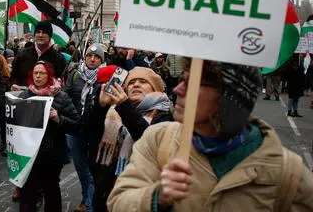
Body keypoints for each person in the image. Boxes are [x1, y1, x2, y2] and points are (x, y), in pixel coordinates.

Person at [108, 58, 313, 211]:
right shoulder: (158, 139)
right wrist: (156, 197)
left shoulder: (288, 174)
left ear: (229, 97)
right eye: (182, 79)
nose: (178, 89)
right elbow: (118, 202)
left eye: (194, 82)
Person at [85, 66, 170, 212]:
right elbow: (89, 135)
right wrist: (101, 107)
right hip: (108, 193)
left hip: (140, 197)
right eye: (131, 82)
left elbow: (147, 141)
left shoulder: (164, 115)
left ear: (155, 88)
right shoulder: (115, 111)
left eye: (143, 81)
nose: (136, 85)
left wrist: (125, 107)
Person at [15, 62, 80, 212]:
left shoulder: (61, 97)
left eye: (42, 73)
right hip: (29, 154)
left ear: (49, 76)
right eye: (35, 73)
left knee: (51, 190)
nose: (37, 76)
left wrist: (59, 119)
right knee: (27, 191)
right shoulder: (25, 95)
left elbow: (76, 125)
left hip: (51, 154)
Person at [62, 43, 104, 212]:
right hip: (75, 130)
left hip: (96, 132)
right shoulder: (75, 74)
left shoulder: (106, 77)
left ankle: (91, 203)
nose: (92, 59)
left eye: (97, 57)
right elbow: (66, 97)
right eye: (89, 56)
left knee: (94, 169)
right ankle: (86, 197)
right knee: (81, 168)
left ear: (102, 60)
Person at [11, 20, 67, 87]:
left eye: (44, 32)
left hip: (48, 96)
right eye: (38, 32)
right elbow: (13, 76)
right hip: (23, 95)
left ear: (50, 36)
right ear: (34, 35)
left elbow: (63, 80)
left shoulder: (59, 58)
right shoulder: (22, 54)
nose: (40, 35)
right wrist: (13, 84)